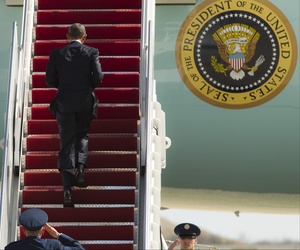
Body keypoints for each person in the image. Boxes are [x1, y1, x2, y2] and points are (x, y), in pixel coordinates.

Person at [45, 23, 104, 207]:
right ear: (85, 36)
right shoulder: (91, 51)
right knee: (82, 135)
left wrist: (64, 88)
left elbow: (49, 79)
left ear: (67, 36)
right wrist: (87, 88)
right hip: (85, 100)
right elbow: (98, 75)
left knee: (66, 142)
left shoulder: (56, 53)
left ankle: (67, 189)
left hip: (64, 101)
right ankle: (80, 172)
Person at [5, 208, 84, 249]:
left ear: (23, 231)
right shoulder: (53, 245)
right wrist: (58, 235)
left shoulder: (11, 247)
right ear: (43, 231)